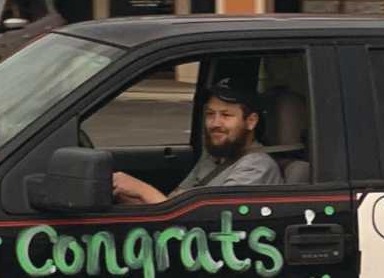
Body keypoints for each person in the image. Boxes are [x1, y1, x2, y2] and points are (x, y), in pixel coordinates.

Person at [110, 78, 281, 204]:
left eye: (226, 115)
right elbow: (174, 202)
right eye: (210, 114)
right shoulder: (215, 156)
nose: (215, 123)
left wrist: (141, 189)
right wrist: (127, 196)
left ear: (251, 121)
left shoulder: (257, 166)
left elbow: (213, 222)